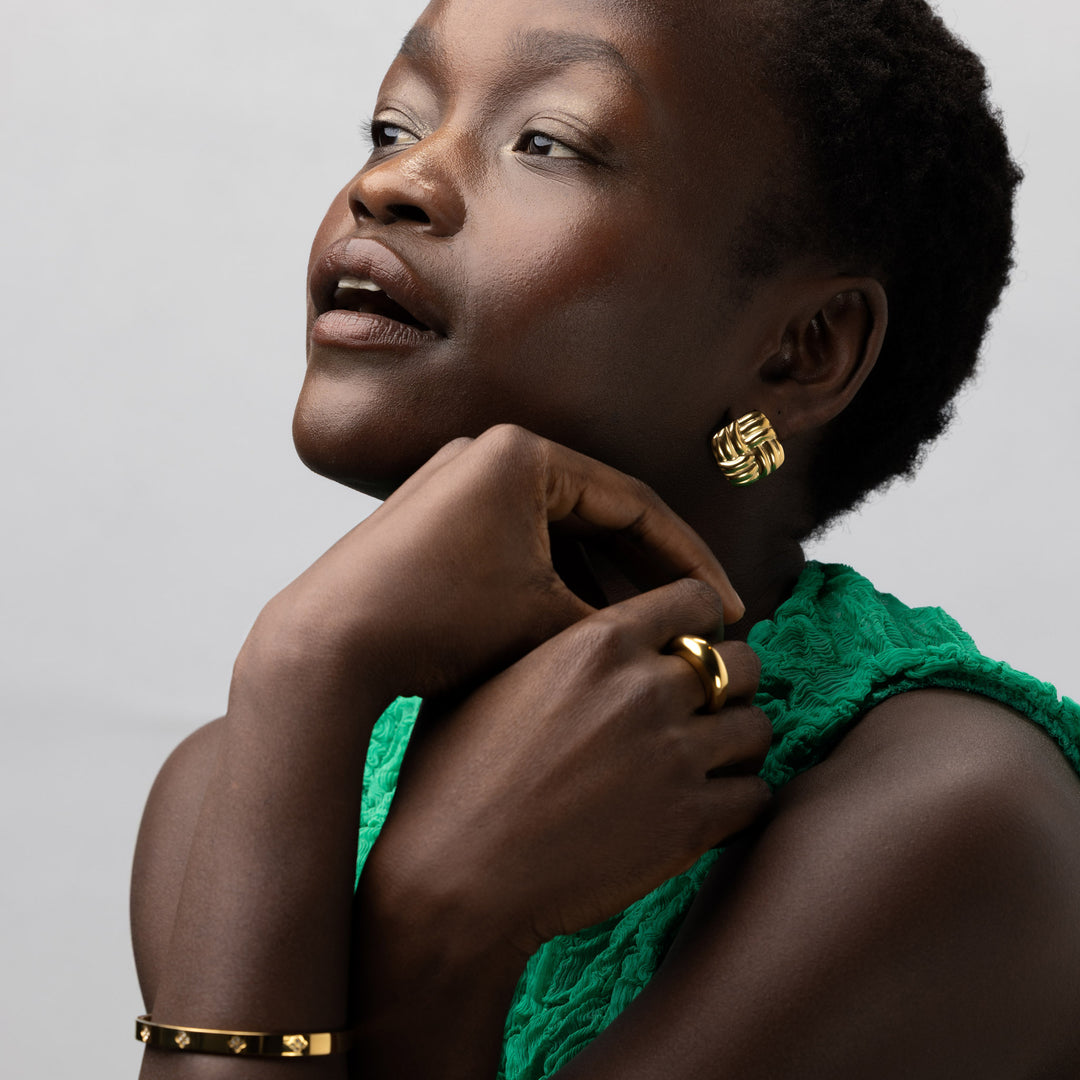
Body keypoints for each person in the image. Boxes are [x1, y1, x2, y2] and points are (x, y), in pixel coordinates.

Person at [130, 0, 1080, 1076]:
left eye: (548, 141)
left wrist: (443, 927)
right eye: (394, 127)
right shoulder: (235, 782)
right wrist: (303, 664)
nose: (392, 182)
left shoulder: (946, 818)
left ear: (803, 347)